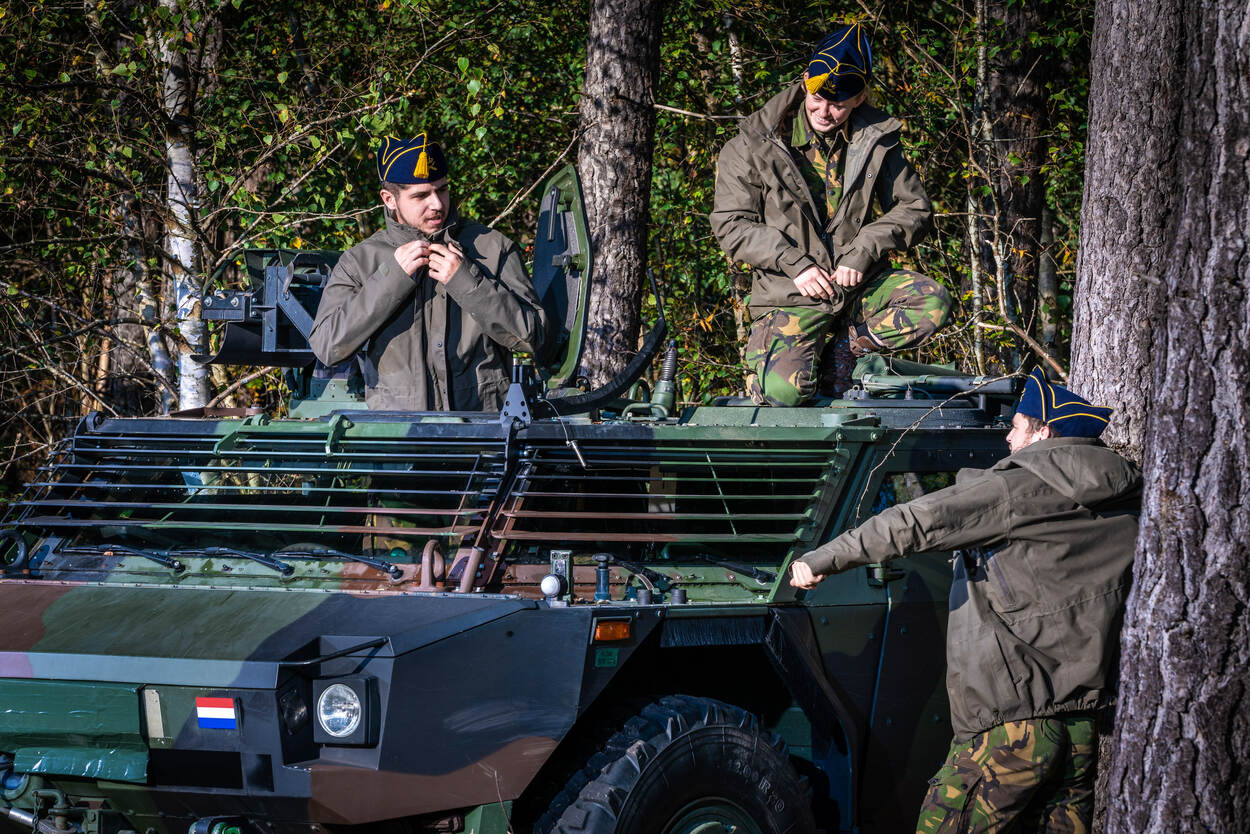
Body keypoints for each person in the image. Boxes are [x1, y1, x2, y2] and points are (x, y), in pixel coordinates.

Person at [789, 368, 1140, 832]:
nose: (1008, 439)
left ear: (1044, 433)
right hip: (1079, 729)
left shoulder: (1018, 488)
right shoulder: (1127, 497)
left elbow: (917, 521)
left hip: (1010, 727)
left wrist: (822, 559)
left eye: (1017, 427)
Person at [710, 22, 951, 405]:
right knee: (781, 394)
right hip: (790, 295)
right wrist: (795, 264)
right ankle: (808, 363)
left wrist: (865, 249)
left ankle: (844, 351)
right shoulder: (753, 145)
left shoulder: (877, 140)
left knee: (932, 301)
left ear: (859, 98)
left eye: (838, 104)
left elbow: (915, 208)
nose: (825, 112)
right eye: (818, 98)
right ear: (806, 80)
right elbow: (732, 225)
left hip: (857, 288)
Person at [309, 134, 548, 411]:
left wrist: (468, 282)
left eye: (442, 190)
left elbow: (533, 338)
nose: (437, 204)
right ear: (389, 199)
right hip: (401, 431)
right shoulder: (360, 262)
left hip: (483, 427)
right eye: (420, 195)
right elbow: (328, 347)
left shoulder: (492, 248)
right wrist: (390, 279)